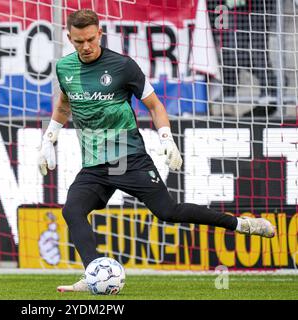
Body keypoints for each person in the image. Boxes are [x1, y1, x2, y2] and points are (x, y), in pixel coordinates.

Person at [38, 9, 275, 292]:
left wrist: (167, 139)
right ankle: (93, 274)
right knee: (72, 211)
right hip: (94, 165)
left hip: (129, 159)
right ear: (69, 38)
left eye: (90, 39)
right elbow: (65, 105)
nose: (86, 46)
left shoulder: (122, 66)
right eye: (79, 42)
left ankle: (241, 225)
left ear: (100, 33)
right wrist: (48, 138)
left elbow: (155, 105)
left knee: (167, 211)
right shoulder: (65, 68)